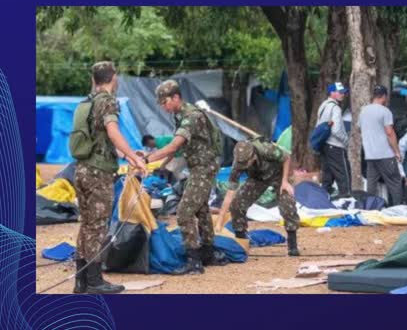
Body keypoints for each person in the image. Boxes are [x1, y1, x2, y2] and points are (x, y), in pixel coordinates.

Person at [74, 61, 147, 294]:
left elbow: (101, 141)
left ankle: (81, 281)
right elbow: (113, 131)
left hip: (82, 170)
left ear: (94, 79)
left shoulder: (87, 103)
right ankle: (95, 281)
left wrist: (124, 154)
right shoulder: (107, 102)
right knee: (97, 227)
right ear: (113, 78)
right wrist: (134, 159)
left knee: (86, 225)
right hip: (98, 175)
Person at [146, 80, 229, 274]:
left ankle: (194, 260)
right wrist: (163, 166)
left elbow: (174, 145)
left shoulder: (191, 116)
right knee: (200, 209)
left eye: (164, 102)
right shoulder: (180, 114)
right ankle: (208, 252)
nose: (163, 107)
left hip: (204, 168)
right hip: (199, 167)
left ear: (176, 97)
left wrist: (148, 159)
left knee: (184, 211)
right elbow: (180, 146)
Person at [217, 138, 301, 256]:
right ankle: (241, 240)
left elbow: (286, 158)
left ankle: (292, 245)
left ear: (254, 156)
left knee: (287, 204)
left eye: (246, 163)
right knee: (237, 204)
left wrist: (285, 181)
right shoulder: (238, 164)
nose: (244, 166)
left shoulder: (266, 149)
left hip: (279, 174)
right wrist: (220, 222)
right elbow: (230, 193)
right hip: (258, 178)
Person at [359, 85, 403, 206]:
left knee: (371, 184)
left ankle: (370, 208)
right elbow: (389, 133)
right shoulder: (385, 111)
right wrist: (397, 152)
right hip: (385, 154)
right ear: (384, 96)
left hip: (370, 155)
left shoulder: (363, 111)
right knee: (395, 182)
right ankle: (398, 208)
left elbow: (360, 129)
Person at [317, 82, 351, 197]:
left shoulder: (323, 106)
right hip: (335, 146)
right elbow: (336, 130)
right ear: (332, 93)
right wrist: (346, 141)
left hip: (324, 146)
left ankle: (322, 200)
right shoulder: (336, 108)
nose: (343, 95)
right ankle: (347, 202)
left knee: (327, 176)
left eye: (344, 92)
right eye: (340, 92)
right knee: (344, 177)